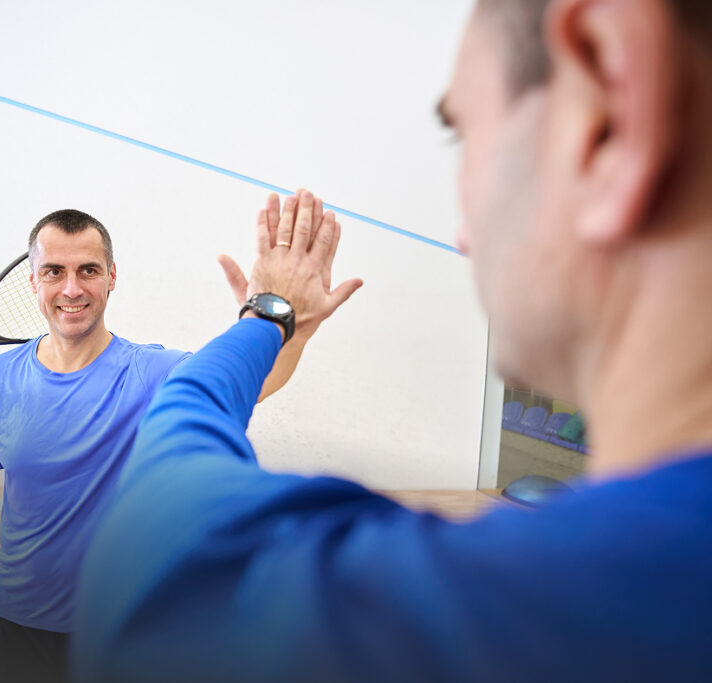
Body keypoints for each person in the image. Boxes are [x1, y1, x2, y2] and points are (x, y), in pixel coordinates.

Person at [72, 0, 712, 681]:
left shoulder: (516, 611)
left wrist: (267, 313)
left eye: (462, 134)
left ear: (610, 115)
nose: (464, 235)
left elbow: (157, 536)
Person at [0, 208, 313, 682]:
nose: (72, 288)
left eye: (88, 270)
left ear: (112, 277)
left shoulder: (158, 374)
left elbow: (259, 376)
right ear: (33, 281)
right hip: (21, 629)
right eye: (54, 271)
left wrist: (288, 320)